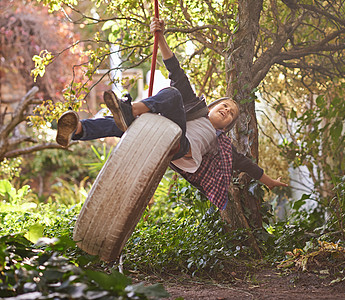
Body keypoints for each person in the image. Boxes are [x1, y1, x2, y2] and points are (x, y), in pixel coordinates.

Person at [56, 17, 288, 210]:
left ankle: (129, 111)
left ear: (225, 127)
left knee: (169, 96)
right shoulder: (194, 106)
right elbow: (175, 69)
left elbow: (246, 164)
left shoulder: (222, 144)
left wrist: (268, 181)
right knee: (135, 122)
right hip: (160, 136)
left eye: (231, 114)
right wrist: (161, 38)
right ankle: (79, 130)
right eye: (224, 106)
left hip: (182, 149)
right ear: (211, 107)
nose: (227, 110)